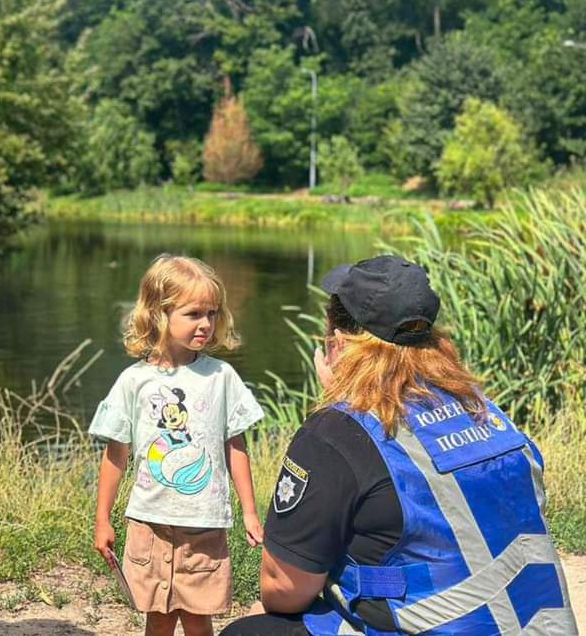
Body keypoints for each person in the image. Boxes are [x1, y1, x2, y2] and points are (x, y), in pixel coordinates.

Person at [222, 255, 577, 636]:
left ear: (339, 343)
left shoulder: (335, 434)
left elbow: (282, 590)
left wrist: (339, 410)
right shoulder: (485, 410)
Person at [91, 254, 265, 636]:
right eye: (193, 314)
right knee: (158, 617)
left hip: (203, 523)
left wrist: (250, 512)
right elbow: (115, 454)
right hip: (150, 523)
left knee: (199, 619)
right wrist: (103, 518)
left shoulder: (221, 377)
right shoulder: (134, 381)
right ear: (159, 314)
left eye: (212, 313)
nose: (205, 324)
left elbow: (236, 447)